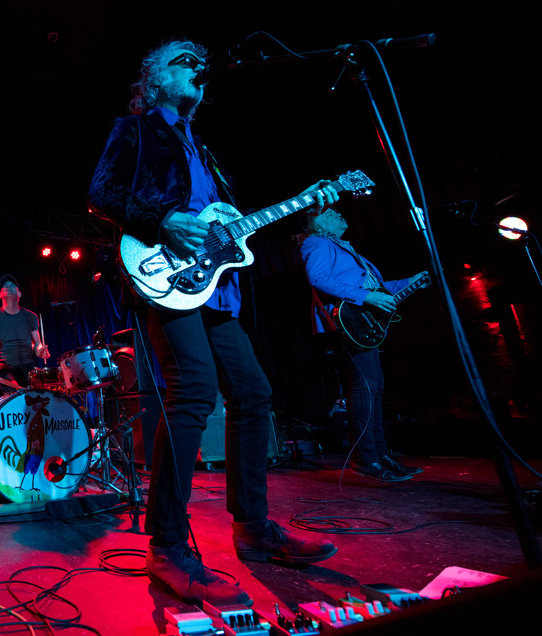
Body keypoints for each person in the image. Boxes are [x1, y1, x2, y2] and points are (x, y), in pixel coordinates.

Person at [88, 39, 339, 608]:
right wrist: (163, 221)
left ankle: (253, 529)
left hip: (216, 289)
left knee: (254, 393)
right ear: (153, 76)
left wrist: (306, 202)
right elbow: (100, 194)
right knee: (193, 391)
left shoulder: (204, 148)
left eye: (201, 66)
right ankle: (168, 546)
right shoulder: (135, 130)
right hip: (165, 277)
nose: (199, 69)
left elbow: (230, 229)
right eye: (184, 60)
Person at [301, 206, 427, 481]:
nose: (340, 215)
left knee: (375, 388)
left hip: (363, 321)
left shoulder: (348, 250)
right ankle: (365, 458)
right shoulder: (316, 242)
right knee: (365, 387)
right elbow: (318, 278)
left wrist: (411, 281)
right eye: (332, 214)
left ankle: (380, 455)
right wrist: (365, 297)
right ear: (317, 223)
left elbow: (378, 289)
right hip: (347, 321)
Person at [0, 275, 50, 394]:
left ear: (19, 294)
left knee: (37, 396)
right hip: (4, 368)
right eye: (4, 286)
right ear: (0, 295)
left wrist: (40, 350)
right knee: (14, 389)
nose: (8, 286)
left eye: (12, 285)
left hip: (28, 367)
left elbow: (37, 343)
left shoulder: (31, 316)